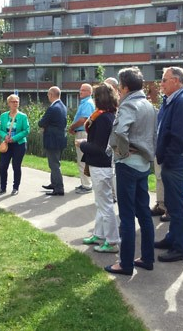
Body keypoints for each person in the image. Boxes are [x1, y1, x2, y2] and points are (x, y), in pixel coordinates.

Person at [104, 67, 157, 275]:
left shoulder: (128, 105)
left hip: (128, 165)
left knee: (126, 216)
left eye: (119, 86)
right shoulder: (149, 105)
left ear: (124, 87)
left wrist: (123, 153)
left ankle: (125, 264)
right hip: (144, 164)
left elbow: (119, 132)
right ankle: (147, 257)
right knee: (143, 213)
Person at [154, 66, 183, 262]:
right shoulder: (172, 100)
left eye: (164, 80)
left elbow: (179, 135)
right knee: (172, 204)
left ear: (177, 81)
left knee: (178, 206)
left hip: (178, 158)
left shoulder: (182, 101)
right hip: (175, 158)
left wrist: (168, 158)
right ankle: (172, 238)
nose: (161, 83)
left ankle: (180, 248)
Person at [79, 83, 120, 253]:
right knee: (101, 202)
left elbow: (99, 147)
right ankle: (99, 234)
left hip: (100, 166)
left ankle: (112, 241)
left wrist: (82, 144)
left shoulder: (103, 118)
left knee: (105, 205)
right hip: (101, 165)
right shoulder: (108, 115)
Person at [0, 94, 30, 196]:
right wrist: (5, 136)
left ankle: (15, 188)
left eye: (17, 102)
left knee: (16, 166)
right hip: (6, 144)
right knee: (3, 166)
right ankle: (2, 187)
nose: (15, 103)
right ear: (8, 103)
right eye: (13, 102)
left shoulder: (23, 116)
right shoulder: (3, 116)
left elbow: (26, 130)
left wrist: (14, 138)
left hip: (19, 144)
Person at [39, 86, 68, 196]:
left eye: (48, 95)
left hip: (53, 140)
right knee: (55, 162)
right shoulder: (62, 106)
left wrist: (44, 126)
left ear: (51, 95)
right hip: (60, 139)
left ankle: (59, 188)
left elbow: (42, 122)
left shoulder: (53, 108)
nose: (48, 97)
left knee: (54, 164)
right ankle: (54, 183)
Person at [69, 84, 95, 194]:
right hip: (81, 132)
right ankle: (85, 182)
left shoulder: (88, 103)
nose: (81, 92)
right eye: (80, 90)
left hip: (83, 133)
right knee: (82, 159)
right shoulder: (85, 102)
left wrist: (72, 127)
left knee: (82, 160)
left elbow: (83, 119)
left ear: (90, 92)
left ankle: (87, 185)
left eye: (84, 90)